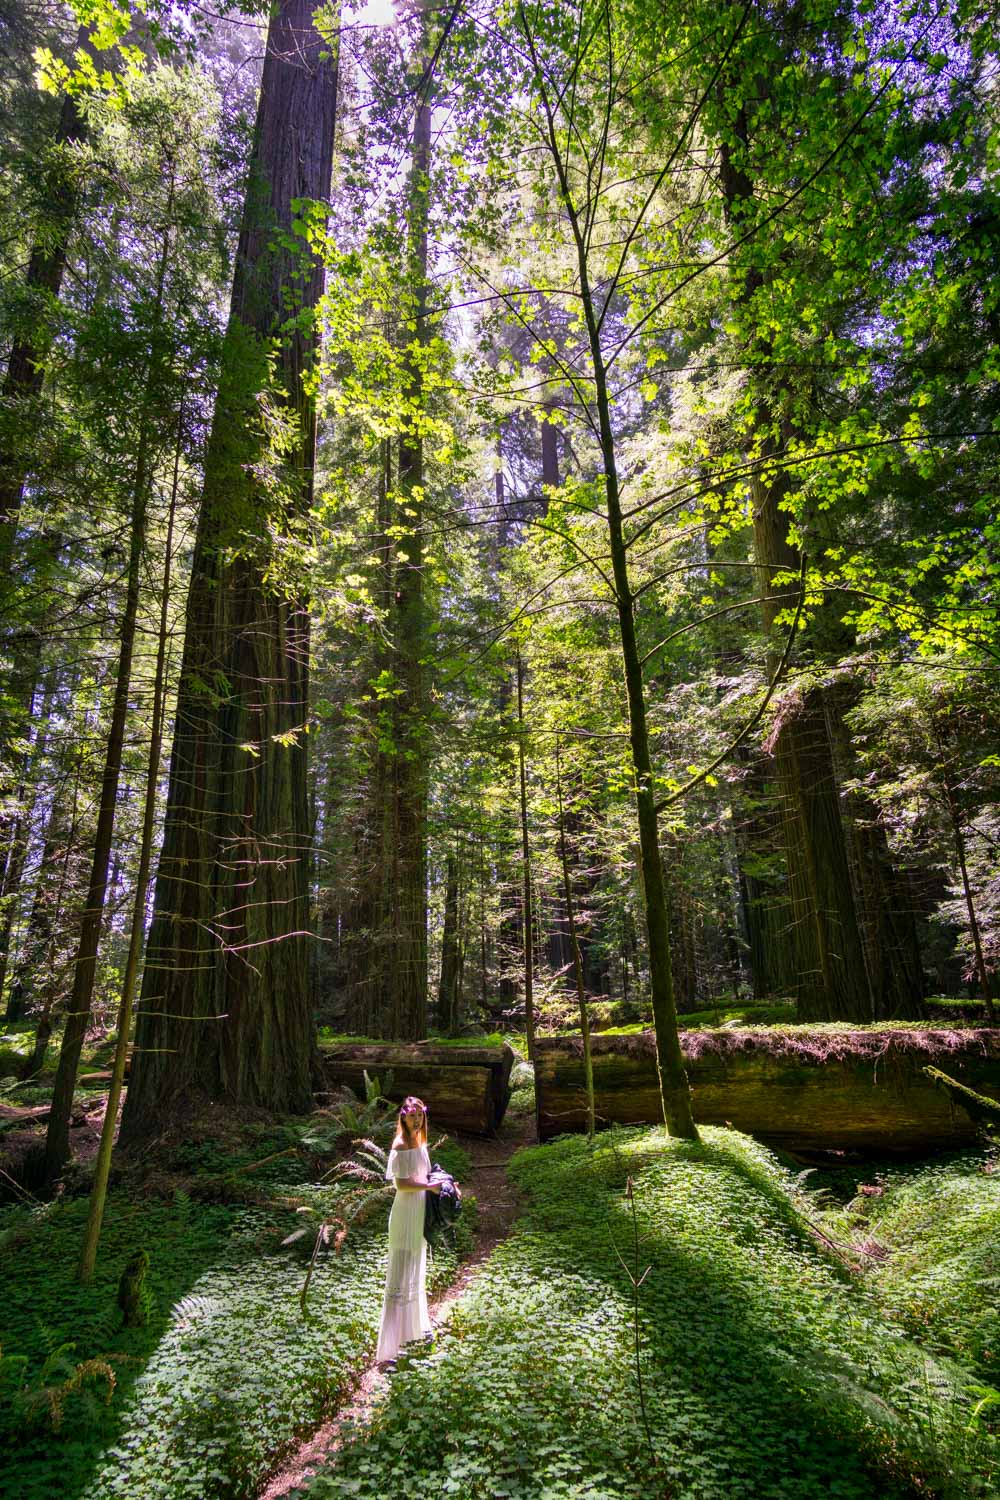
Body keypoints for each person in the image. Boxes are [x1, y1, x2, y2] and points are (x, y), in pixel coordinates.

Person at [375, 1095, 441, 1366]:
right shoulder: (400, 1144)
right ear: (402, 1117)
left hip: (419, 1213)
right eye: (411, 1115)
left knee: (415, 1269)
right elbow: (401, 1185)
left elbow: (426, 1175)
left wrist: (444, 1183)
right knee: (400, 1276)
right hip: (404, 1214)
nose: (416, 1119)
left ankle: (414, 1331)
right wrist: (427, 1188)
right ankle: (391, 1347)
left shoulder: (421, 1142)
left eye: (420, 1115)